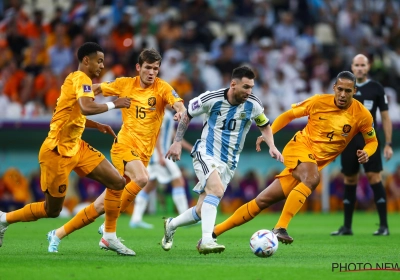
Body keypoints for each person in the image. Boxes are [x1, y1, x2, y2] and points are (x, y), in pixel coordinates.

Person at [211, 71, 378, 245]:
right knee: (312, 179)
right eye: (340, 89)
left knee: (262, 200)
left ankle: (213, 232)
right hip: (300, 148)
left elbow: (372, 141)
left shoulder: (362, 115)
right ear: (334, 88)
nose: (343, 95)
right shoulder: (318, 101)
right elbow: (288, 115)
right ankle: (280, 227)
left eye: (348, 91)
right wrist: (269, 134)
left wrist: (367, 151)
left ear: (354, 91)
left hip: (312, 163)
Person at [46, 48, 186, 253]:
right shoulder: (124, 84)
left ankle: (58, 233)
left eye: (156, 69)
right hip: (123, 147)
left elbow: (180, 105)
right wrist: (71, 98)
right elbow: (96, 88)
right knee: (142, 178)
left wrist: (179, 112)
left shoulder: (162, 88)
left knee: (100, 207)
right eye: (148, 68)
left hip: (143, 154)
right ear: (139, 67)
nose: (152, 72)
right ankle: (109, 231)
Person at [0, 42, 134, 255]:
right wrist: (114, 104)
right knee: (51, 210)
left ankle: (109, 236)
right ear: (86, 60)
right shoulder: (81, 78)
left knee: (117, 182)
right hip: (57, 152)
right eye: (99, 61)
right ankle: (4, 219)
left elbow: (73, 113)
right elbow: (87, 108)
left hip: (77, 147)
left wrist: (96, 125)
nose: (102, 65)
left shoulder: (79, 81)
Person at [160, 66, 283, 254]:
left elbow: (264, 125)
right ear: (233, 84)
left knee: (202, 210)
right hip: (206, 152)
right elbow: (187, 115)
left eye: (251, 87)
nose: (249, 92)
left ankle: (171, 224)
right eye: (246, 87)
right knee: (215, 191)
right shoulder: (211, 98)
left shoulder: (254, 104)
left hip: (229, 162)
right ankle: (207, 241)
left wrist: (272, 146)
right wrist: (177, 142)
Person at [331, 54, 393, 236]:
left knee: (374, 178)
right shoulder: (345, 88)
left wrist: (388, 143)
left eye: (362, 65)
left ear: (368, 67)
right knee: (349, 179)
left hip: (369, 139)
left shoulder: (376, 88)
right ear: (351, 66)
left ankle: (384, 227)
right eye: (356, 65)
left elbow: (385, 117)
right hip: (348, 140)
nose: (359, 68)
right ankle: (347, 227)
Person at [130, 107, 193, 229]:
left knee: (149, 185)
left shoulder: (167, 114)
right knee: (178, 181)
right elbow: (156, 133)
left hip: (158, 156)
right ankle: (185, 219)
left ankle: (135, 219)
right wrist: (159, 155)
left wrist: (190, 148)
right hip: (160, 156)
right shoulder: (160, 113)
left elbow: (174, 136)